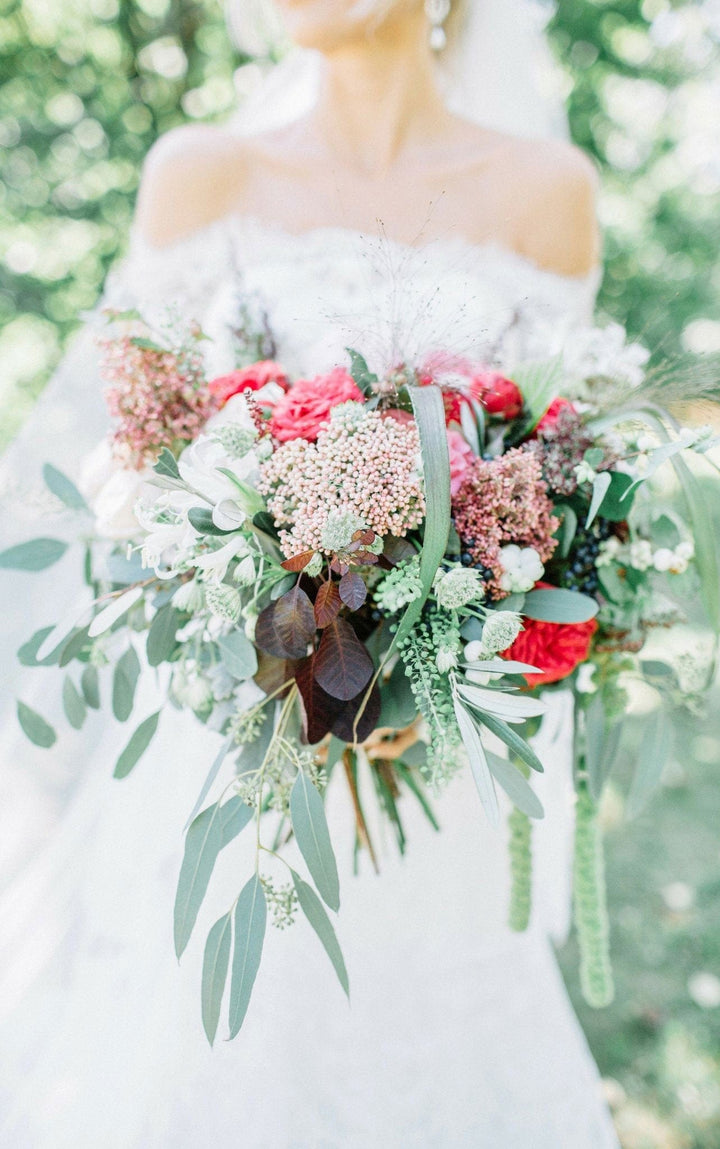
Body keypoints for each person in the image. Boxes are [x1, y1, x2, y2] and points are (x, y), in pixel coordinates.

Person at [0, 1, 621, 1144]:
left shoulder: (548, 192)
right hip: (240, 748)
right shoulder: (202, 176)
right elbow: (126, 458)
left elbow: (556, 470)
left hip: (438, 755)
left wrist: (448, 649)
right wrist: (230, 580)